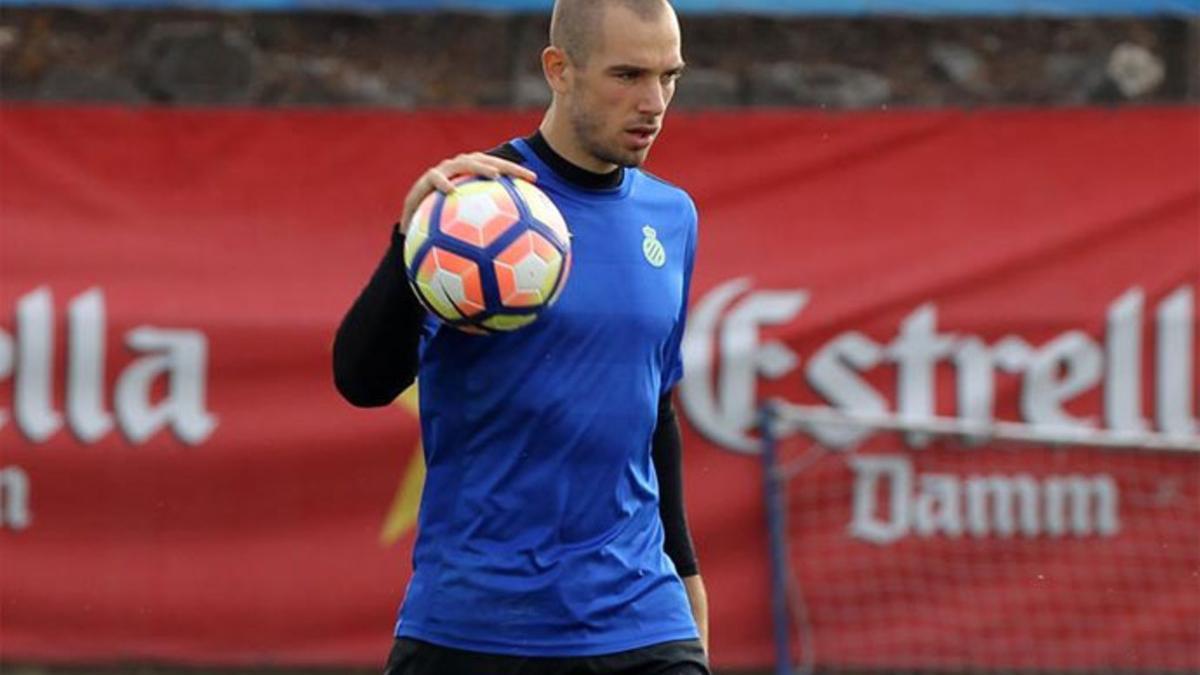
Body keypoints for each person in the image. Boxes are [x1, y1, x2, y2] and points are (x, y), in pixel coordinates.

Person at [333, 1, 707, 672]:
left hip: (643, 621)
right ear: (559, 70)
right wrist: (406, 244)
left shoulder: (672, 216)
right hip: (478, 626)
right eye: (627, 75)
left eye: (669, 76)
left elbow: (654, 410)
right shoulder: (471, 208)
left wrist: (686, 580)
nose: (654, 102)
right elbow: (361, 380)